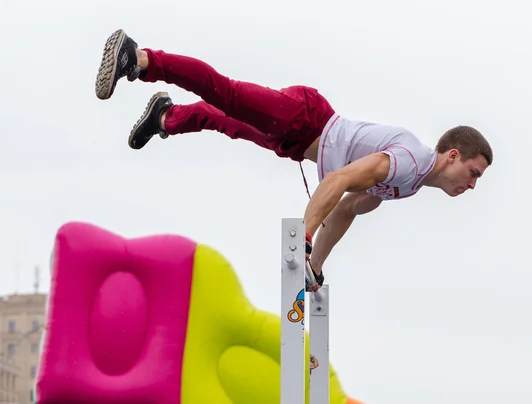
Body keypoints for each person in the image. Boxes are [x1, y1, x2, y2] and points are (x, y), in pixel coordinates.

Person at [95, 29, 493, 291]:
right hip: (306, 117)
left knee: (225, 122)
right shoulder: (409, 161)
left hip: (297, 141)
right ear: (453, 156)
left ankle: (165, 117)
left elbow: (348, 208)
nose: (472, 185)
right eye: (473, 174)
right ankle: (142, 59)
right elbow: (337, 181)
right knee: (227, 95)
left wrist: (314, 266)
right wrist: (303, 234)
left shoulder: (408, 184)